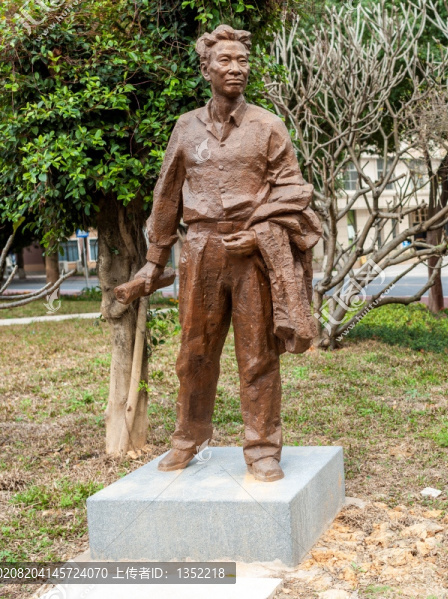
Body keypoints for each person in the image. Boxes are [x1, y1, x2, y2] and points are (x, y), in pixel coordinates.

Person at [133, 24, 320, 482]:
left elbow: (294, 189)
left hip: (252, 251)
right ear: (206, 69)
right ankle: (188, 437)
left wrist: (260, 235)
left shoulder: (266, 126)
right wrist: (154, 261)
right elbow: (166, 196)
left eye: (242, 62)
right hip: (199, 250)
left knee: (257, 355)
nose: (235, 69)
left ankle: (261, 447)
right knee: (194, 351)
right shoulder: (185, 128)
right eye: (225, 61)